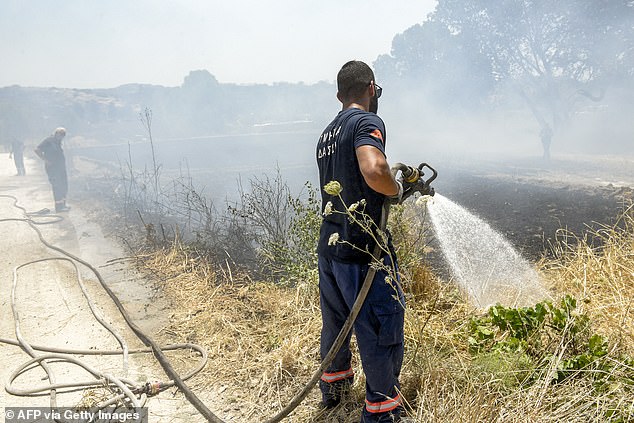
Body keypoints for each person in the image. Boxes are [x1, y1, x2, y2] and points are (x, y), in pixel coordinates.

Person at [316, 60, 405, 422]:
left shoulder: (327, 134)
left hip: (331, 250)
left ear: (339, 95)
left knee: (336, 325)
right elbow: (374, 170)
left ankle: (334, 393)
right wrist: (396, 189)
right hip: (361, 252)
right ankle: (382, 413)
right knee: (382, 326)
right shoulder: (366, 122)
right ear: (371, 88)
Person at [35, 127, 70, 212]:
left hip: (61, 168)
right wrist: (45, 160)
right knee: (57, 186)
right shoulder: (48, 141)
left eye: (63, 135)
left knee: (64, 185)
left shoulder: (58, 142)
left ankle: (63, 204)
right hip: (53, 168)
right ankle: (59, 207)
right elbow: (37, 149)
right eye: (60, 134)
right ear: (56, 133)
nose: (61, 136)